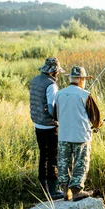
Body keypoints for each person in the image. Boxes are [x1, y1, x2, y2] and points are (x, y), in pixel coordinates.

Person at [55, 66, 103, 201]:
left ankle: (66, 192)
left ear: (71, 78)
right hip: (81, 136)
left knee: (63, 163)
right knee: (81, 163)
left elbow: (55, 115)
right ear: (82, 80)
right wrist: (97, 125)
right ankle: (76, 192)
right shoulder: (85, 95)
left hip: (63, 135)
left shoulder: (59, 94)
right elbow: (96, 118)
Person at [29, 57, 65, 200]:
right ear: (54, 72)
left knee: (43, 156)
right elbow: (51, 107)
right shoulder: (51, 85)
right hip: (49, 127)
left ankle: (44, 188)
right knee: (53, 158)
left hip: (38, 124)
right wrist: (59, 120)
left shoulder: (35, 81)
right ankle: (53, 191)